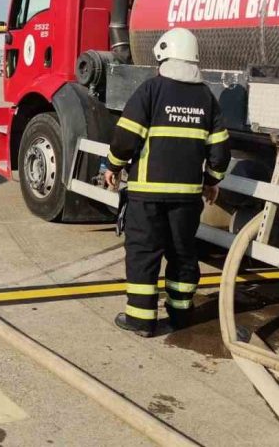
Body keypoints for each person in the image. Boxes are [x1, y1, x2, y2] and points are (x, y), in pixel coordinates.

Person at [103, 27, 230, 338]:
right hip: (187, 197)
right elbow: (221, 149)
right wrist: (211, 180)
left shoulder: (151, 90)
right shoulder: (206, 98)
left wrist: (114, 166)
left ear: (164, 54)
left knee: (144, 253)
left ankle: (140, 319)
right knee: (183, 253)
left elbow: (125, 137)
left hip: (147, 195)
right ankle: (181, 314)